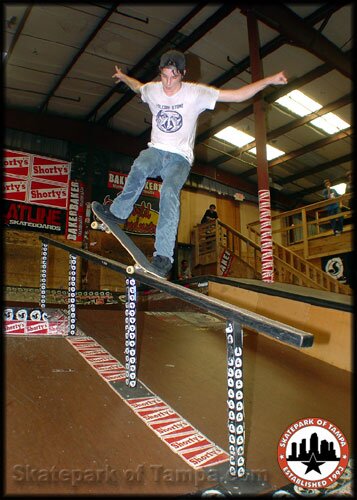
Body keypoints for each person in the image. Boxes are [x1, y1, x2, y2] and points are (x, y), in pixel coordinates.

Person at [93, 50, 288, 278]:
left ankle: (163, 257)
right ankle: (118, 213)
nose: (167, 82)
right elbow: (138, 87)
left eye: (173, 77)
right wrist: (124, 77)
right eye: (164, 76)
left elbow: (236, 95)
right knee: (139, 166)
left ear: (183, 74)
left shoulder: (196, 94)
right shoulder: (154, 90)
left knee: (168, 192)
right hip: (156, 150)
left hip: (180, 158)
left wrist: (269, 80)